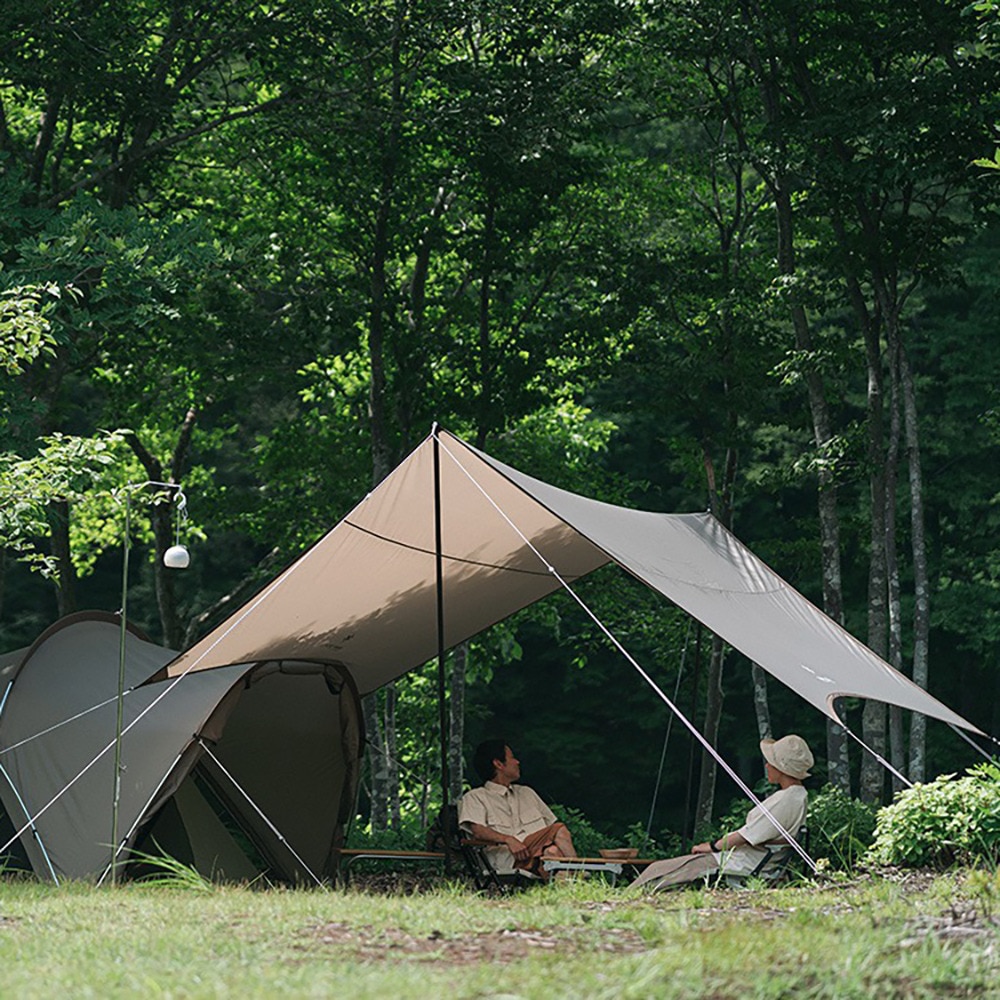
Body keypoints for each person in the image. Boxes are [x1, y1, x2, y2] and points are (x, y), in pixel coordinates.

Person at [630, 734, 813, 892]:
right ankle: (631, 895)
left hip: (746, 860)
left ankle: (628, 898)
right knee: (663, 868)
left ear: (781, 768)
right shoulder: (797, 795)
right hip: (754, 857)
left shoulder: (786, 799)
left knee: (660, 869)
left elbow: (746, 835)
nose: (766, 766)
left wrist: (712, 846)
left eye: (770, 762)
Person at [458, 739, 577, 877]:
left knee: (552, 852)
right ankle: (579, 872)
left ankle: (565, 890)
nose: (517, 762)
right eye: (512, 757)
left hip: (535, 856)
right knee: (559, 829)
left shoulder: (527, 792)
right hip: (506, 859)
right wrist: (508, 839)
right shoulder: (475, 797)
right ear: (498, 764)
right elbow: (478, 832)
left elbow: (548, 832)